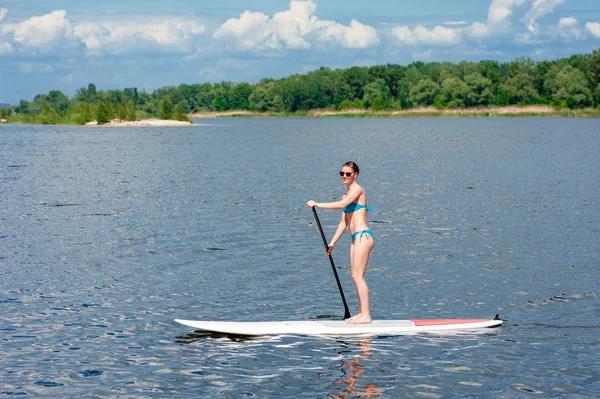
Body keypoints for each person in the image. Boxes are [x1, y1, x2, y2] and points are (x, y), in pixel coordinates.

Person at [307, 161, 374, 324]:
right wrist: (332, 243)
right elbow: (343, 223)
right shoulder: (347, 195)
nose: (344, 176)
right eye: (342, 173)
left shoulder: (358, 190)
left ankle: (366, 315)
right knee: (354, 275)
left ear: (355, 175)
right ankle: (361, 313)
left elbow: (342, 205)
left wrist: (317, 204)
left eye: (348, 174)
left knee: (359, 276)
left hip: (363, 237)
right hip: (354, 239)